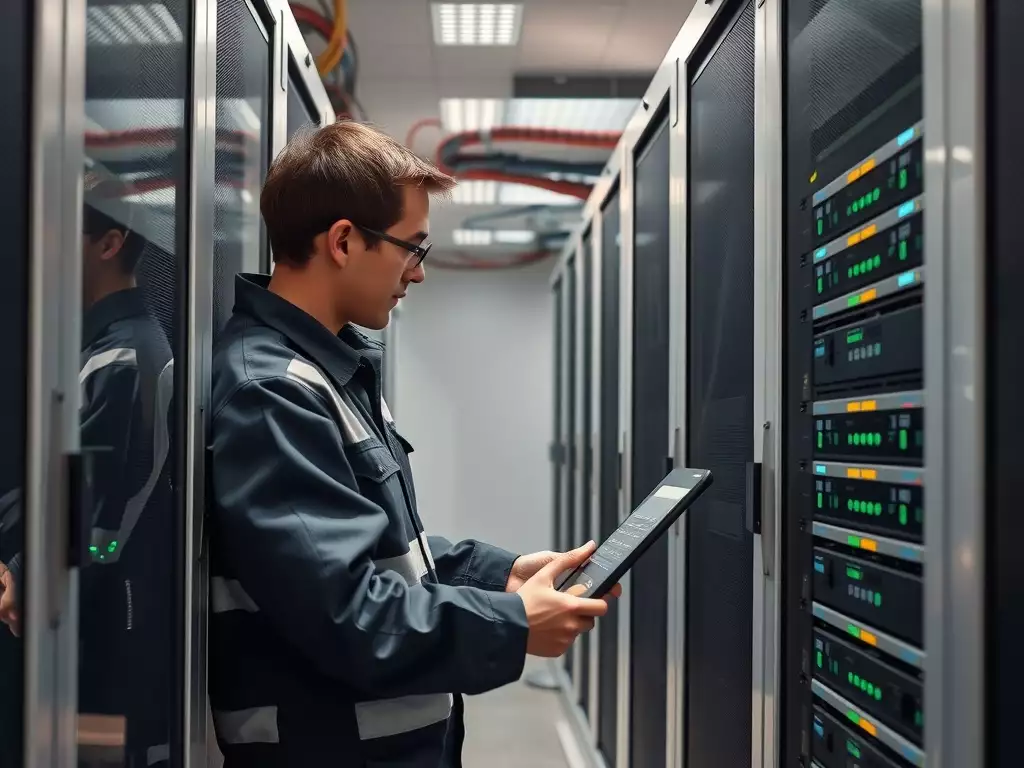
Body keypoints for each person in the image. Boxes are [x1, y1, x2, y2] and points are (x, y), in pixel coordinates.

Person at [208, 120, 615, 767]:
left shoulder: (331, 371)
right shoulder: (270, 391)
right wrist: (513, 625)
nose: (417, 274)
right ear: (344, 241)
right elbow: (344, 613)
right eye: (413, 249)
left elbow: (373, 549)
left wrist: (502, 576)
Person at [0, 175, 175, 766]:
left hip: (111, 628)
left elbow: (96, 512)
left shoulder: (123, 355)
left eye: (61, 232)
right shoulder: (109, 346)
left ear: (110, 242)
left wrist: (28, 572)